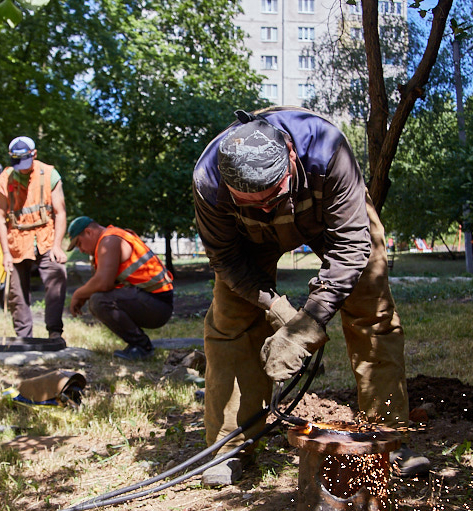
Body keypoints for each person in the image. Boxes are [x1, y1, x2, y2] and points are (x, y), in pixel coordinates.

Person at [193, 107, 429, 486]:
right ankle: (229, 446)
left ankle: (387, 439)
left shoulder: (327, 150)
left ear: (289, 156)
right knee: (230, 324)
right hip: (247, 240)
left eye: (272, 196)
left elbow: (352, 247)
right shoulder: (209, 180)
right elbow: (225, 258)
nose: (266, 209)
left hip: (325, 213)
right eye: (253, 202)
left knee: (372, 309)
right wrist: (278, 308)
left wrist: (310, 321)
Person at [0, 136, 68, 342]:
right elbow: (0, 218)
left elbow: (60, 212)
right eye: (17, 163)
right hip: (17, 241)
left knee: (57, 275)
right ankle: (24, 339)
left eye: (25, 163)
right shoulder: (5, 179)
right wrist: (6, 253)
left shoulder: (50, 174)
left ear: (34, 155)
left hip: (45, 237)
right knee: (16, 293)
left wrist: (57, 246)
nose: (22, 168)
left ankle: (54, 333)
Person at [67, 217, 174, 360]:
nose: (81, 250)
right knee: (98, 298)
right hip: (152, 301)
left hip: (159, 305)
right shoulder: (107, 240)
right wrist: (84, 294)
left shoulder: (109, 240)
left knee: (99, 301)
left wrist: (78, 294)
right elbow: (101, 283)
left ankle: (142, 347)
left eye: (79, 243)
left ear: (89, 232)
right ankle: (138, 346)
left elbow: (104, 283)